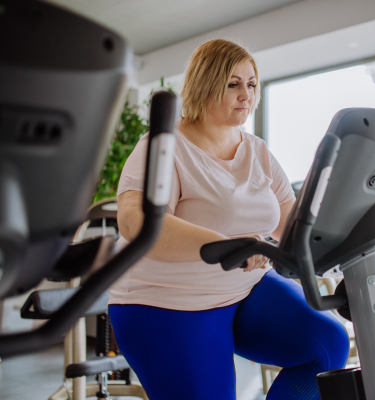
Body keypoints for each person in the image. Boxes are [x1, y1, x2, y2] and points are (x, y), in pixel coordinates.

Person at [108, 39, 349, 400]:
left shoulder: (257, 150)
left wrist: (346, 254)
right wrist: (230, 246)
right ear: (205, 83)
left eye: (252, 84)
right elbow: (135, 221)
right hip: (167, 301)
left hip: (246, 289)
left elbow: (294, 226)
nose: (246, 95)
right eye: (233, 83)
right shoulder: (163, 146)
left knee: (327, 346)